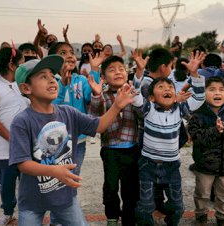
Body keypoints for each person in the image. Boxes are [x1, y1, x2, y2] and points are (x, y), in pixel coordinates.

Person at [9, 54, 137, 226]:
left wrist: (116, 106)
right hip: (33, 200)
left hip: (64, 198)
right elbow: (22, 163)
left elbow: (98, 126)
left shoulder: (68, 113)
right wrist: (54, 171)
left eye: (52, 76)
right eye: (43, 77)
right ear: (26, 88)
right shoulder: (22, 121)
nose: (53, 80)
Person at [134, 52, 206, 225]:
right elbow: (135, 96)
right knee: (145, 205)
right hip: (148, 165)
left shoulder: (180, 108)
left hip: (172, 166)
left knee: (177, 206)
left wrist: (195, 75)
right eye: (161, 87)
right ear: (151, 97)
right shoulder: (148, 109)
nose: (167, 89)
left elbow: (199, 99)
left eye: (170, 87)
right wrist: (139, 71)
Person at [89, 55, 143, 226]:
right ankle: (112, 216)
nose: (118, 72)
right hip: (110, 149)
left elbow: (143, 115)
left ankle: (129, 217)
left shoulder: (134, 93)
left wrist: (136, 97)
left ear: (127, 74)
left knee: (130, 187)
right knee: (111, 186)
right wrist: (97, 95)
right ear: (104, 77)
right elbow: (94, 118)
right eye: (112, 70)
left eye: (121, 69)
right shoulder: (102, 95)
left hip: (132, 149)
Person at [188, 76, 224, 226]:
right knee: (202, 193)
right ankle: (201, 214)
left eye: (221, 89)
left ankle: (222, 217)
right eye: (212, 89)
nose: (217, 93)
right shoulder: (198, 114)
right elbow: (196, 137)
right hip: (204, 165)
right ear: (204, 92)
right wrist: (215, 130)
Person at [0, 47, 28, 226]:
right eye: (22, 63)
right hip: (4, 148)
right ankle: (8, 213)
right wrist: (11, 137)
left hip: (26, 146)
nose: (24, 67)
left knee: (27, 184)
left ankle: (28, 213)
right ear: (12, 65)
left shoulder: (23, 85)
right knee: (7, 184)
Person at [48, 42, 102, 176]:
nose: (70, 56)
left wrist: (94, 70)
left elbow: (90, 98)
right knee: (57, 175)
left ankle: (71, 196)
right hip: (57, 140)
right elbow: (51, 107)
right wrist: (63, 86)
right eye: (63, 53)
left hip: (79, 139)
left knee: (74, 173)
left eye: (71, 52)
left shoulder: (81, 80)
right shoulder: (50, 80)